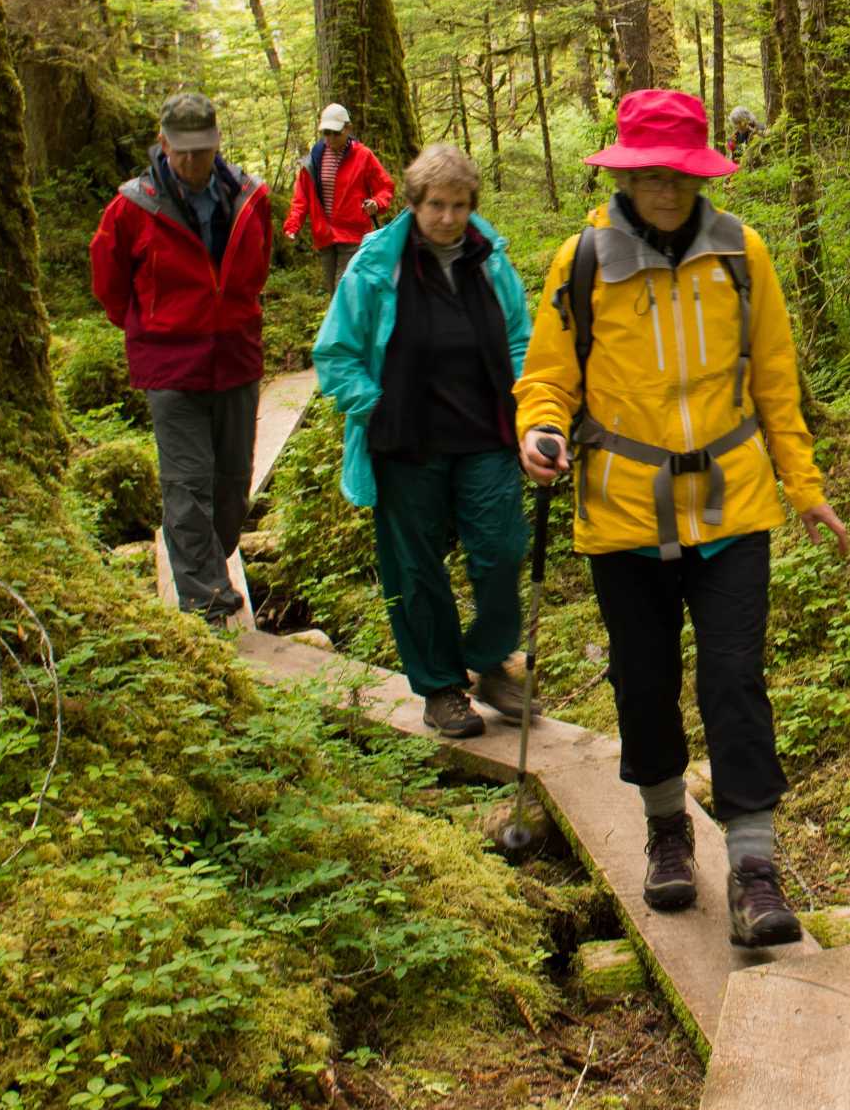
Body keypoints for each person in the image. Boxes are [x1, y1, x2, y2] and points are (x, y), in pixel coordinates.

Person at [516, 88, 850, 949]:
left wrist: (804, 484)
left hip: (732, 507)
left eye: (680, 174)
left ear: (702, 175)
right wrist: (541, 428)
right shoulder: (583, 260)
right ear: (627, 175)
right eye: (651, 175)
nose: (665, 189)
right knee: (643, 679)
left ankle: (754, 868)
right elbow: (548, 375)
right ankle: (667, 829)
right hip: (623, 512)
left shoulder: (742, 253)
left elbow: (775, 379)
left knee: (735, 680)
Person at [313, 143, 535, 739]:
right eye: (436, 204)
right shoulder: (376, 265)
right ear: (413, 203)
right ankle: (441, 688)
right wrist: (375, 407)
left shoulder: (489, 259)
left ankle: (490, 661)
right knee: (416, 568)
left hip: (485, 433)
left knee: (502, 547)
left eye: (460, 206)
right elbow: (335, 354)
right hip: (406, 442)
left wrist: (527, 403)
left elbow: (519, 338)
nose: (448, 218)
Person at [91, 92, 272, 630]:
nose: (192, 161)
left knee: (232, 484)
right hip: (171, 366)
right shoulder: (131, 207)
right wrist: (153, 326)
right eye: (182, 150)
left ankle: (212, 562)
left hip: (235, 358)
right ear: (163, 144)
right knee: (188, 484)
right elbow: (109, 284)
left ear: (217, 142)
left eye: (202, 149)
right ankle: (206, 602)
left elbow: (257, 267)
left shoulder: (249, 197)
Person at [285, 103, 395, 298]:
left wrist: (377, 203)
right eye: (326, 133)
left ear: (348, 129)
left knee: (343, 292)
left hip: (353, 234)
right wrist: (293, 225)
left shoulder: (363, 156)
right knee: (334, 292)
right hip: (324, 236)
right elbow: (301, 197)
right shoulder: (313, 160)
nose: (330, 138)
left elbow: (385, 187)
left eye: (336, 133)